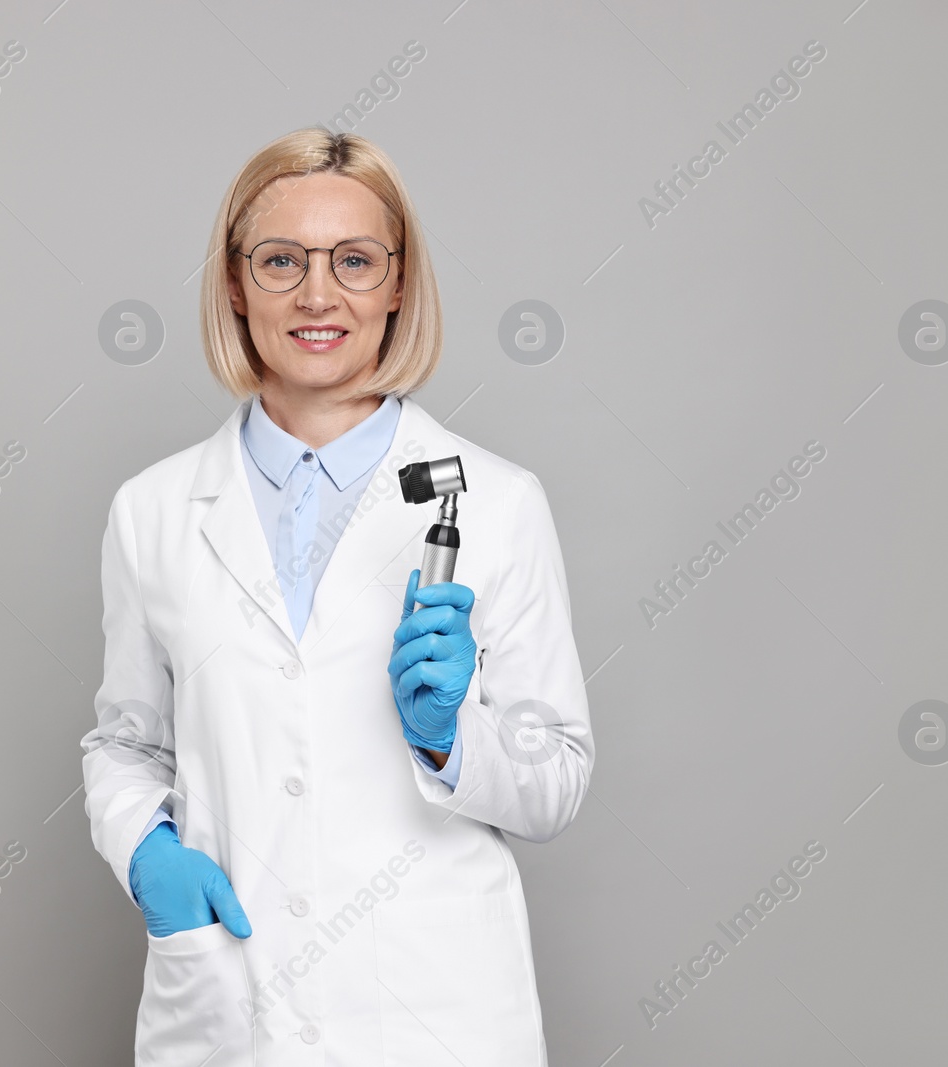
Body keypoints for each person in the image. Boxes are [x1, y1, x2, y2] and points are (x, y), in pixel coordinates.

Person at [80, 127, 593, 1067]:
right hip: (234, 1006)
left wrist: (451, 735)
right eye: (281, 260)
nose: (318, 295)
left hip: (435, 1017)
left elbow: (557, 777)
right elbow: (126, 743)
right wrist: (148, 854)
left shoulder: (500, 501)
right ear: (236, 284)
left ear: (399, 283)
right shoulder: (151, 510)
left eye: (354, 261)